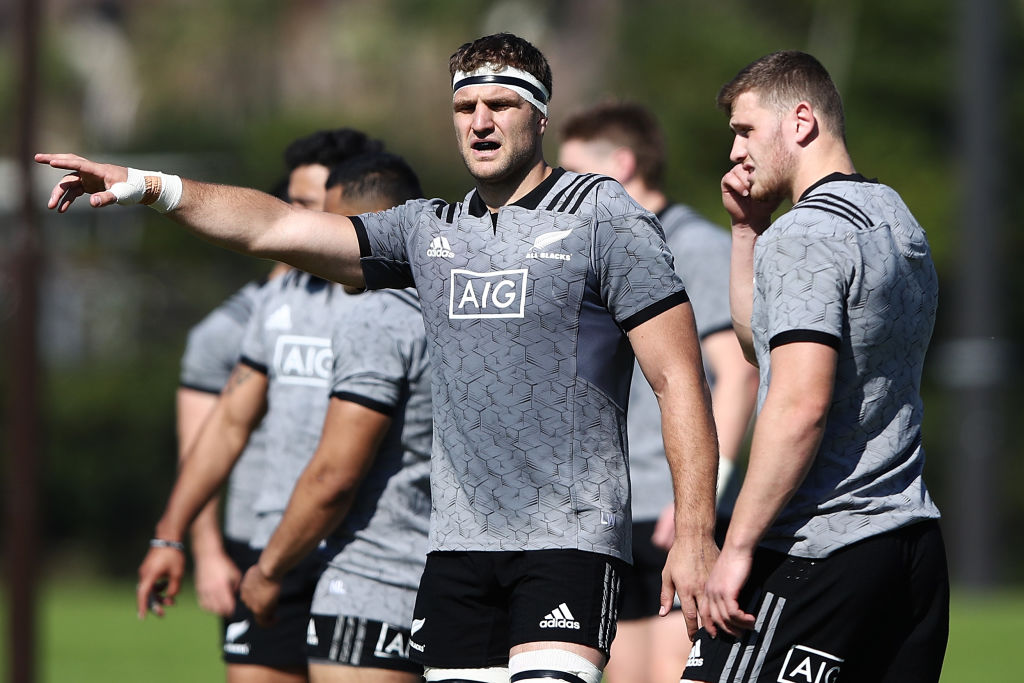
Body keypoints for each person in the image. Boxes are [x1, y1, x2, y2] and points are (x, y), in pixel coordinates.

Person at [38, 32, 720, 683]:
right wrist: (149, 185)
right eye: (464, 108)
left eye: (500, 105)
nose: (479, 122)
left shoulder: (601, 214)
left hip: (567, 541)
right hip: (457, 550)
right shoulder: (429, 230)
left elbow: (678, 376)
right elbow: (277, 226)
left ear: (539, 116)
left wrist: (694, 532)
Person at [683, 50, 948, 683]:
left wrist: (736, 546)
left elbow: (799, 404)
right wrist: (747, 233)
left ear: (801, 121)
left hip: (820, 547)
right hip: (910, 548)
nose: (735, 154)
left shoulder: (806, 236)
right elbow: (767, 348)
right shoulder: (896, 220)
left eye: (746, 131)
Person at [173, 128, 385, 682]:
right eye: (289, 203)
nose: (295, 218)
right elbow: (217, 432)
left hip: (365, 553)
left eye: (310, 207)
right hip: (264, 542)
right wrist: (192, 542)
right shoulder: (257, 315)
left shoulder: (398, 307)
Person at [558, 102, 758, 683]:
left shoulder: (692, 243)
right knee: (619, 670)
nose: (563, 188)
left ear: (620, 163)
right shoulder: (593, 246)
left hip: (671, 504)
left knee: (675, 668)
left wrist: (699, 496)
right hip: (612, 506)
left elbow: (736, 372)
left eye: (574, 172)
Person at [238, 152, 433, 683]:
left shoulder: (378, 316)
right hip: (459, 588)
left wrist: (268, 569)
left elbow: (333, 476)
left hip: (373, 586)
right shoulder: (458, 309)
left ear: (363, 229)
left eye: (327, 224)